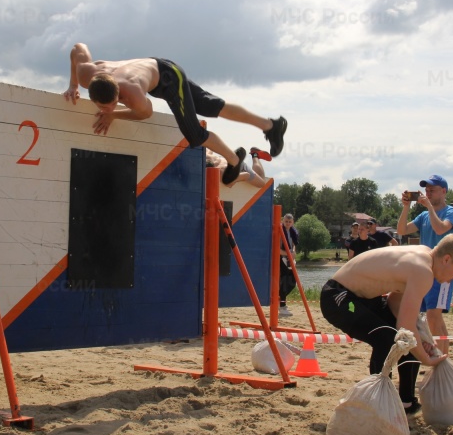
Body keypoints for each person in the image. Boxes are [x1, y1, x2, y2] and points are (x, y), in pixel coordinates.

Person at [62, 43, 287, 184]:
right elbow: (77, 49)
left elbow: (145, 113)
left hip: (168, 79)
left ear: (118, 93)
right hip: (157, 66)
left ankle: (234, 160)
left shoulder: (132, 92)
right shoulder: (86, 74)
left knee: (194, 134)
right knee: (213, 107)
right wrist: (73, 85)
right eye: (103, 107)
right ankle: (270, 125)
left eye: (113, 103)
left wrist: (115, 115)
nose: (108, 109)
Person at [321, 233, 453, 414]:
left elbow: (395, 305)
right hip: (337, 297)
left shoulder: (424, 260)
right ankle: (377, 402)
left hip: (363, 299)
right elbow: (406, 325)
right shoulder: (423, 271)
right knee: (388, 339)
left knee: (409, 342)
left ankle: (406, 402)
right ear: (447, 259)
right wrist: (425, 358)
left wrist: (422, 341)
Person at [396, 174, 453, 354]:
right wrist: (406, 207)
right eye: (426, 190)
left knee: (434, 316)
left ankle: (442, 360)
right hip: (426, 271)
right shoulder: (424, 215)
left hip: (444, 272)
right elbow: (402, 230)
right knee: (427, 317)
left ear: (444, 191)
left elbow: (440, 228)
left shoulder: (451, 212)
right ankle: (439, 357)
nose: (428, 193)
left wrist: (429, 207)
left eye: (432, 189)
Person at [205, 146, 271, 188]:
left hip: (240, 167)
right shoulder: (206, 156)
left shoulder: (219, 174)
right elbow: (210, 148)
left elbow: (246, 175)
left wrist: (235, 180)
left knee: (262, 184)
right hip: (228, 159)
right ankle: (235, 158)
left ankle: (255, 154)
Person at [279, 213, 299, 317]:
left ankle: (279, 299)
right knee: (283, 282)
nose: (287, 223)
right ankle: (282, 305)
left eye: (289, 222)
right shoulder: (279, 231)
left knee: (292, 281)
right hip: (281, 259)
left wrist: (293, 253)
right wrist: (288, 253)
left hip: (290, 259)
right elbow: (277, 249)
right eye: (286, 221)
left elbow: (293, 245)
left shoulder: (293, 232)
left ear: (293, 222)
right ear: (283, 221)